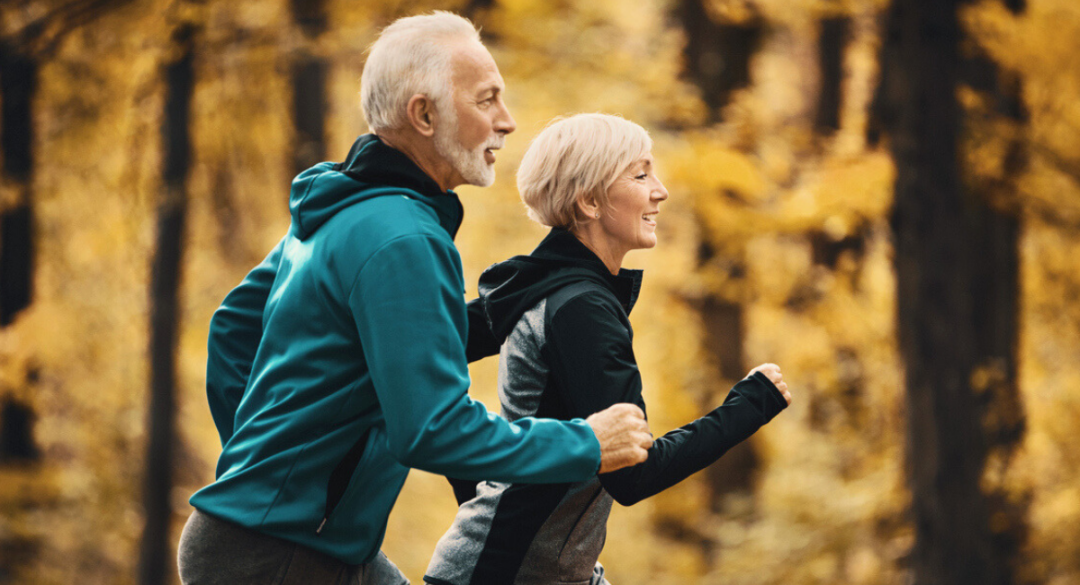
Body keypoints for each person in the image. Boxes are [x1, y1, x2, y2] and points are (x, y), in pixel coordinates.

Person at [177, 14, 653, 585]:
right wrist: (585, 443)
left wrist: (267, 475)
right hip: (279, 556)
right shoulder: (403, 238)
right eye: (487, 101)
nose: (507, 121)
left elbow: (232, 329)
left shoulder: (344, 206)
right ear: (425, 115)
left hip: (285, 540)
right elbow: (433, 429)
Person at [424, 114, 792, 585]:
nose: (660, 191)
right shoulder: (580, 307)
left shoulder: (543, 286)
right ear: (590, 201)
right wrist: (748, 406)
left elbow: (430, 367)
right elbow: (633, 475)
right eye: (640, 175)